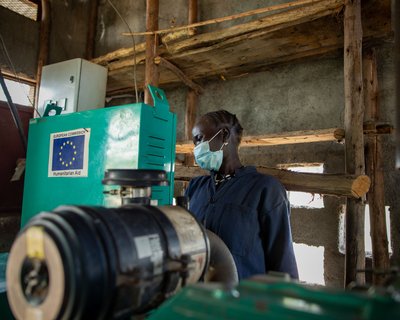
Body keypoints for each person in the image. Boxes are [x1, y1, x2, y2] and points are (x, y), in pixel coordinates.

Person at [185, 110, 298, 280]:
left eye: (199, 138)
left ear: (223, 135)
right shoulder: (196, 187)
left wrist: (284, 301)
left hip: (242, 301)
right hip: (200, 297)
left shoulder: (265, 189)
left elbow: (282, 260)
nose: (196, 148)